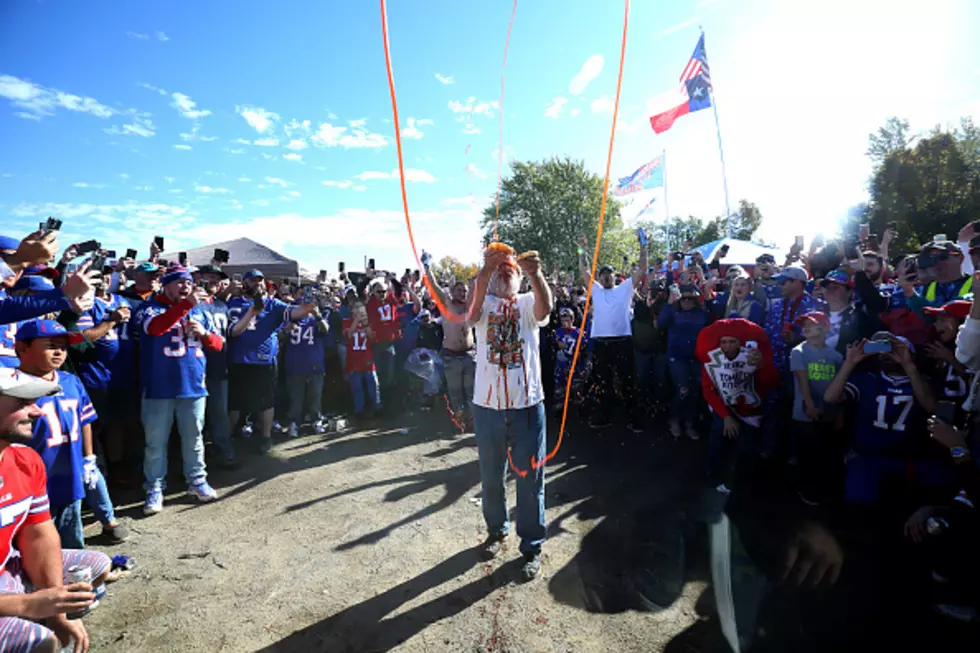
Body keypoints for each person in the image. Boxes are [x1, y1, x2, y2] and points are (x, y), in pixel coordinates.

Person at [0, 366, 111, 653]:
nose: (37, 412)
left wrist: (54, 610)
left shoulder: (25, 459)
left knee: (96, 568)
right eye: (23, 403)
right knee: (40, 642)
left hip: (8, 568)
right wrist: (28, 604)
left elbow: (39, 536)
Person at [469, 246, 552, 581]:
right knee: (490, 476)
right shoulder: (483, 302)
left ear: (520, 276)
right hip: (487, 407)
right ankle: (496, 529)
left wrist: (536, 273)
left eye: (510, 268)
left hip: (528, 406)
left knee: (530, 480)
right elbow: (471, 315)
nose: (506, 271)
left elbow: (546, 308)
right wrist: (485, 271)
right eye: (498, 269)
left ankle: (531, 545)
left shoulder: (528, 302)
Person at [823, 333, 954, 509]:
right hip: (869, 456)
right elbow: (830, 397)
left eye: (893, 349)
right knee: (860, 499)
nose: (886, 354)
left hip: (909, 457)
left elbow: (931, 406)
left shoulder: (922, 383)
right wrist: (849, 363)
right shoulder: (868, 380)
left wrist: (908, 365)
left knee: (943, 482)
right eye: (882, 350)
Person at [135, 267, 224, 514]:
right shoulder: (150, 308)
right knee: (155, 443)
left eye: (188, 283)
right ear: (166, 286)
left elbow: (219, 344)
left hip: (193, 386)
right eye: (178, 283)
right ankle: (154, 487)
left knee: (194, 438)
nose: (185, 287)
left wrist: (205, 334)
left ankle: (197, 481)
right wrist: (185, 306)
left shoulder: (200, 310)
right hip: (159, 387)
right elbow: (154, 329)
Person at [227, 269, 314, 453]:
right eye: (252, 280)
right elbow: (233, 332)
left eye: (259, 280)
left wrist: (306, 306)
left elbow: (297, 312)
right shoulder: (234, 303)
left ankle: (266, 438)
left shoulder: (273, 304)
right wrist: (251, 311)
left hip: (264, 362)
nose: (257, 283)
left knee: (266, 402)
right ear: (244, 283)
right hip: (239, 360)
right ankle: (227, 438)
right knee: (234, 403)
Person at [696, 318, 777, 495]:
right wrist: (725, 416)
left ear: (741, 343)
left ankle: (741, 481)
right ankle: (713, 477)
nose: (727, 346)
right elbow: (707, 390)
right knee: (718, 438)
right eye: (724, 342)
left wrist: (763, 365)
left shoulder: (754, 357)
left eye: (732, 342)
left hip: (751, 410)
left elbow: (771, 383)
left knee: (747, 448)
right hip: (723, 406)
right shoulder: (712, 359)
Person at [577, 230, 647, 431]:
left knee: (627, 382)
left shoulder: (625, 289)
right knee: (602, 383)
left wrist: (643, 245)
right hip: (601, 344)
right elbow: (583, 270)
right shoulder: (596, 290)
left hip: (622, 342)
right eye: (603, 275)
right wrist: (582, 248)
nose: (607, 278)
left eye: (610, 275)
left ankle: (633, 418)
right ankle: (604, 415)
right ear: (600, 278)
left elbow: (642, 267)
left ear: (615, 277)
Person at [789, 312, 845, 505]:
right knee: (808, 455)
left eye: (811, 324)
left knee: (824, 453)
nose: (806, 328)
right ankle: (807, 490)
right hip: (805, 413)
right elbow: (802, 380)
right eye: (804, 325)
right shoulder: (799, 352)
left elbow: (840, 386)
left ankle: (823, 488)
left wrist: (839, 413)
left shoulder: (836, 355)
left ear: (825, 328)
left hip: (828, 412)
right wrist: (810, 404)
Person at [193, 264, 237, 468]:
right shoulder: (191, 304)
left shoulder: (223, 306)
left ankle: (224, 452)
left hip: (219, 365)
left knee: (220, 414)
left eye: (216, 279)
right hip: (195, 367)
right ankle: (195, 460)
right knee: (195, 419)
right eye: (208, 277)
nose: (213, 282)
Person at [424, 263, 476, 428]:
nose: (462, 293)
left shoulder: (470, 307)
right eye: (459, 290)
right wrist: (428, 268)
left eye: (465, 291)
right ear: (452, 292)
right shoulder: (447, 305)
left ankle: (472, 421)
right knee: (455, 393)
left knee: (471, 391)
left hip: (469, 355)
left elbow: (480, 285)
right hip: (452, 356)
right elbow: (435, 287)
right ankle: (459, 421)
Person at [659, 284, 709, 440]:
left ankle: (689, 423)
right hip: (677, 357)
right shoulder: (673, 311)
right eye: (683, 298)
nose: (686, 301)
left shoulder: (701, 313)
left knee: (694, 392)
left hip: (696, 357)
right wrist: (669, 303)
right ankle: (674, 420)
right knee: (683, 389)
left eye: (690, 298)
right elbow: (660, 324)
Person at [283, 302, 330, 437]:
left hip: (315, 365)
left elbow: (325, 330)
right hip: (294, 365)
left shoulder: (316, 319)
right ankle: (294, 423)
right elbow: (279, 336)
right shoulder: (289, 320)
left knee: (315, 395)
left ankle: (316, 420)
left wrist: (318, 316)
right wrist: (286, 330)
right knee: (295, 398)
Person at [904, 239, 972, 317]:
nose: (936, 262)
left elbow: (948, 311)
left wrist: (912, 295)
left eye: (942, 257)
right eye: (930, 259)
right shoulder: (923, 289)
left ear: (961, 258)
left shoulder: (975, 283)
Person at [343, 303, 381, 418]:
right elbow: (348, 334)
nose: (360, 314)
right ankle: (359, 411)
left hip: (367, 359)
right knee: (357, 387)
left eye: (362, 312)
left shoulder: (369, 323)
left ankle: (377, 408)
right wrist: (356, 321)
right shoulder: (346, 321)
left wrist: (365, 324)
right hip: (353, 360)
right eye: (358, 311)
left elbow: (372, 338)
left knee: (373, 384)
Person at [365, 278, 401, 398]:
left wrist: (391, 278)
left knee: (389, 374)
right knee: (378, 375)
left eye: (383, 291)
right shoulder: (370, 304)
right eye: (379, 292)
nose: (382, 294)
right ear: (373, 293)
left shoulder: (391, 301)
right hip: (376, 345)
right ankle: (378, 403)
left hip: (389, 344)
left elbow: (399, 290)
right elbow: (362, 292)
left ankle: (388, 402)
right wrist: (369, 278)